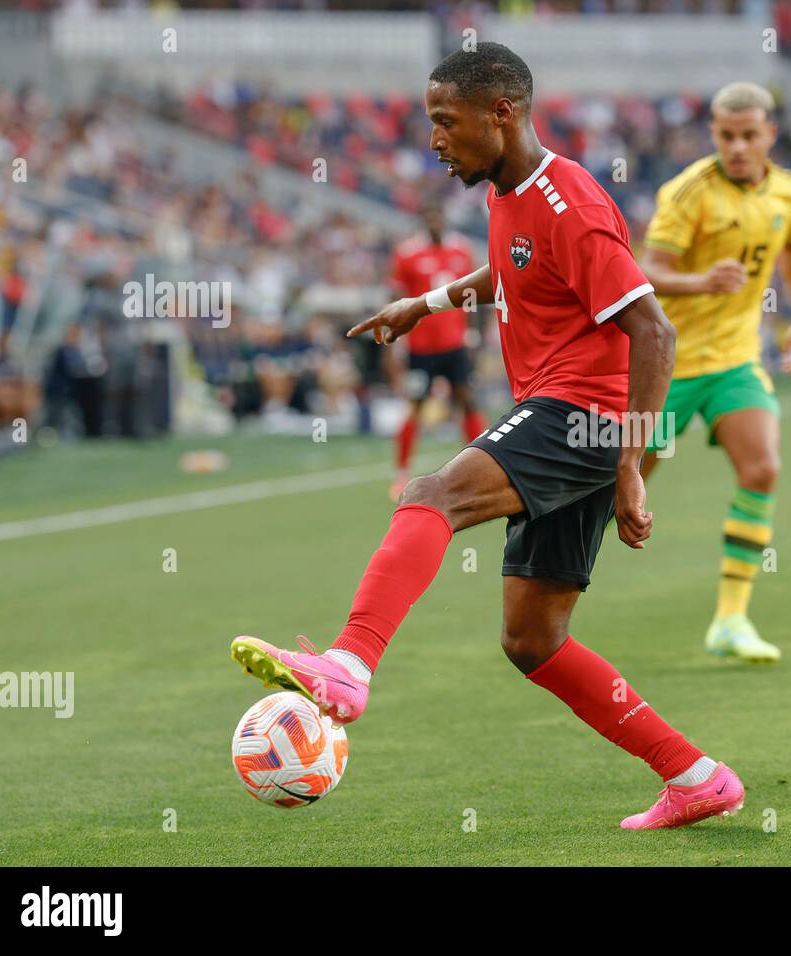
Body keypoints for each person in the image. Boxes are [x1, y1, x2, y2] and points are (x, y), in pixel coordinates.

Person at [231, 43, 744, 829]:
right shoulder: (511, 192)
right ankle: (696, 775)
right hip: (580, 416)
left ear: (501, 113)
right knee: (533, 638)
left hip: (588, 415)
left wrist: (630, 464)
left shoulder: (569, 199)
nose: (434, 139)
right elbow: (512, 268)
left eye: (445, 121)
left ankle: (348, 663)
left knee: (432, 492)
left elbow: (655, 329)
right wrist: (428, 302)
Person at [639, 82, 791, 662]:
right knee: (619, 485)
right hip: (665, 366)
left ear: (769, 134)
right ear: (714, 134)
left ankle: (732, 619)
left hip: (736, 360)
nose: (738, 146)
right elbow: (647, 270)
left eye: (749, 135)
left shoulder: (790, 192)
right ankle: (546, 590)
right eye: (726, 135)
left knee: (762, 467)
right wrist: (701, 281)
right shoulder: (689, 192)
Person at [387, 203, 486, 500]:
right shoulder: (407, 254)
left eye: (438, 217)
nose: (434, 223)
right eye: (429, 218)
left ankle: (480, 468)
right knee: (415, 407)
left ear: (444, 219)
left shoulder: (461, 250)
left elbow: (471, 294)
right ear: (422, 221)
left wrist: (472, 333)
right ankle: (401, 473)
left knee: (466, 402)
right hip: (421, 347)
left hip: (455, 344)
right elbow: (397, 297)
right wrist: (396, 339)